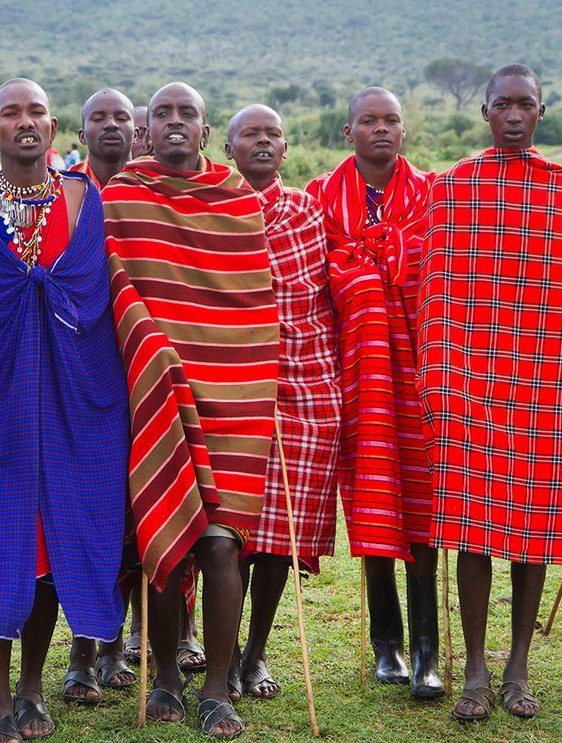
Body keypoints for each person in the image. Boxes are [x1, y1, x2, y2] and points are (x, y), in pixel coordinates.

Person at [0, 78, 130, 742]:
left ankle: (35, 686)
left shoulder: (85, 200)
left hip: (72, 405)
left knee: (48, 546)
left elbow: (96, 303)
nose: (25, 121)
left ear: (55, 125)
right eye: (10, 113)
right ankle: (0, 698)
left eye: (36, 110)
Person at [418, 64, 562, 722]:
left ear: (543, 111)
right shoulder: (453, 189)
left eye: (526, 105)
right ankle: (473, 668)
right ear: (486, 113)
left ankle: (518, 664)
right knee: (472, 526)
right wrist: (440, 376)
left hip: (546, 384)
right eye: (503, 105)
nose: (515, 116)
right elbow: (437, 293)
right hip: (471, 381)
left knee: (535, 525)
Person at [103, 81, 279, 739]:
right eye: (164, 113)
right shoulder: (120, 197)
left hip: (234, 390)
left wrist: (251, 382)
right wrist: (154, 351)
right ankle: (167, 679)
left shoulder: (239, 202)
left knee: (220, 542)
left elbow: (255, 310)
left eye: (189, 114)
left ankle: (215, 688)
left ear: (206, 131)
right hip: (152, 390)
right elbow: (112, 286)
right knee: (164, 535)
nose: (176, 122)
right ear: (148, 128)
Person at [307, 87, 442, 698]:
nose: (381, 129)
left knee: (421, 504)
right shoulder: (317, 203)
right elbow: (316, 285)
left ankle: (426, 651)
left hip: (421, 376)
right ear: (348, 131)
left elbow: (446, 274)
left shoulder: (433, 197)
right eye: (369, 121)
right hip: (355, 375)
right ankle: (384, 641)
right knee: (372, 495)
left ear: (404, 132)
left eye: (391, 121)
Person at [224, 104, 341, 701]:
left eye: (273, 134)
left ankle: (256, 652)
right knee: (234, 533)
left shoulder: (307, 212)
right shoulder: (213, 207)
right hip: (234, 384)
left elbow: (328, 291)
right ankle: (220, 653)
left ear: (287, 149)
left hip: (307, 383)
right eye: (251, 134)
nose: (263, 142)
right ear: (229, 149)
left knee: (282, 538)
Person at [62, 87, 138, 701]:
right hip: (78, 376)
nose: (110, 126)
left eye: (121, 118)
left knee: (138, 517)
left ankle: (118, 645)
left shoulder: (150, 194)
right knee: (86, 513)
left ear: (136, 131)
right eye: (99, 118)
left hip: (143, 374)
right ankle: (81, 650)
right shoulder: (61, 195)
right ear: (81, 131)